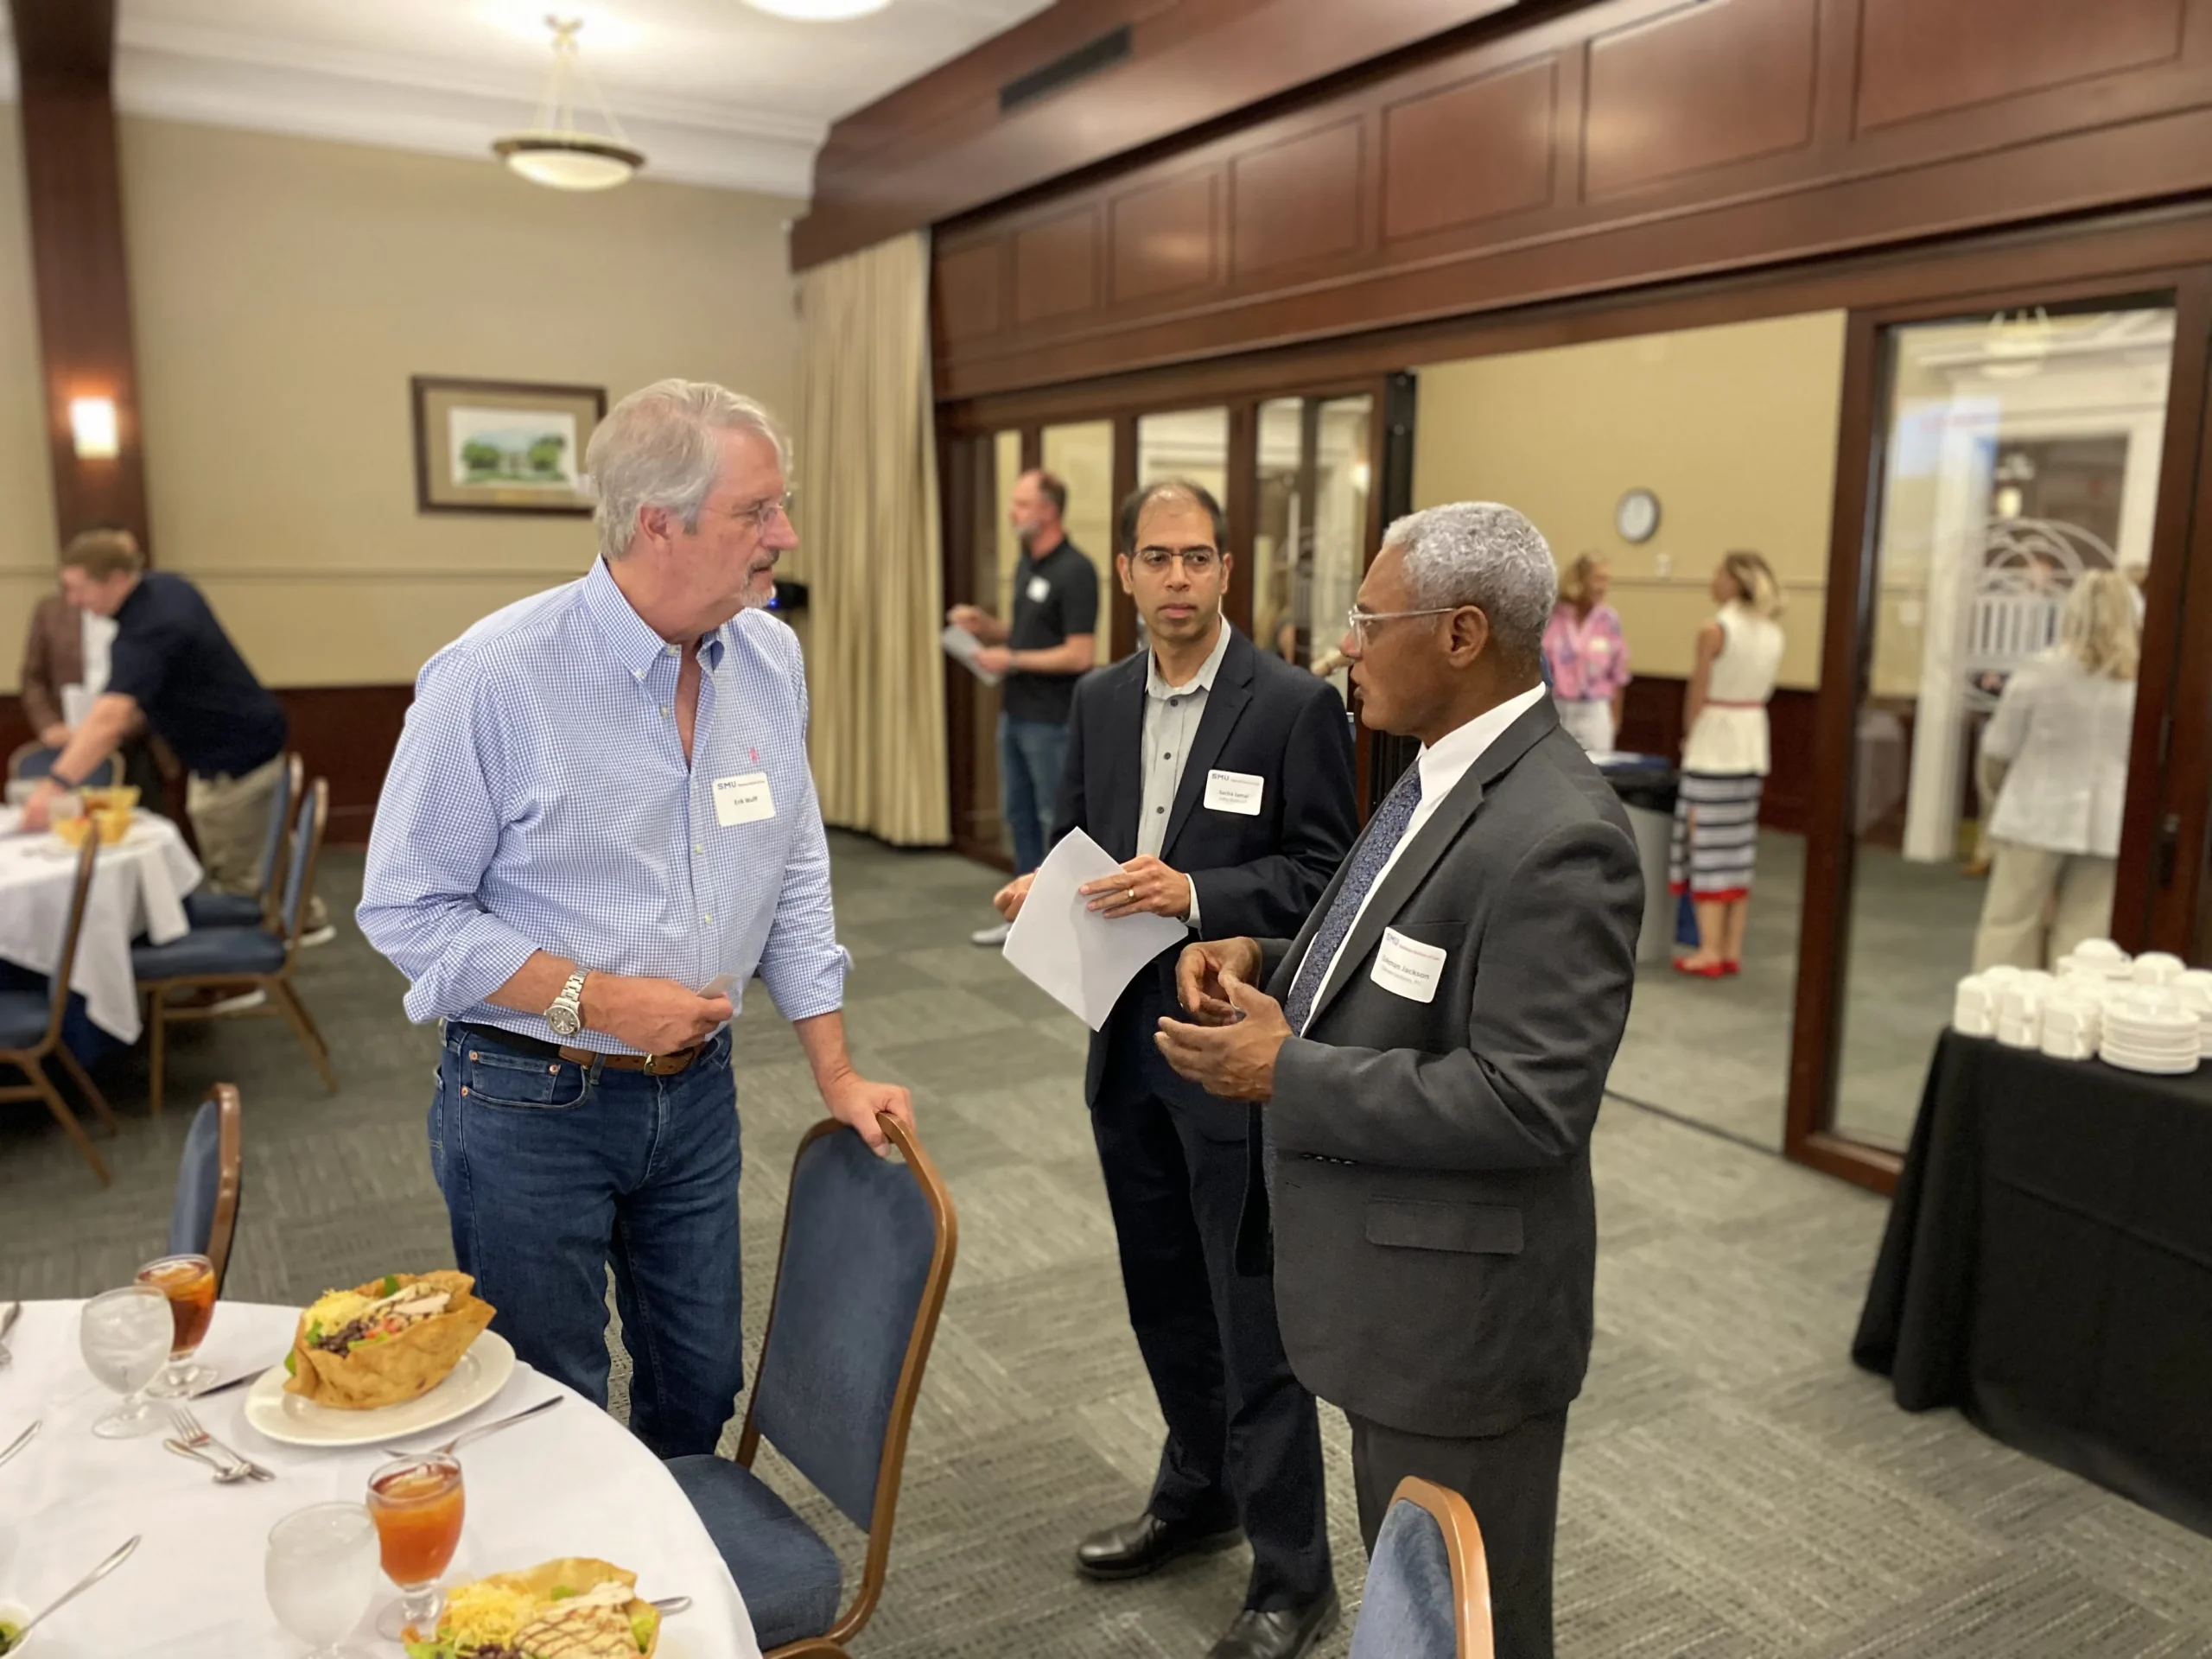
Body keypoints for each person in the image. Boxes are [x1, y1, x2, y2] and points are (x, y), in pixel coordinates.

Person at [357, 379, 913, 1459]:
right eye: (759, 512)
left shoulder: (770, 657)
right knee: (549, 1402)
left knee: (699, 1383)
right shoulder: (496, 677)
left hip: (697, 1092)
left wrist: (835, 1071)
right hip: (527, 1099)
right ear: (658, 521)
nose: (785, 536)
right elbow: (407, 906)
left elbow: (794, 868)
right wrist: (597, 999)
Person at [1153, 502, 1642, 1659]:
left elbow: (1529, 1104)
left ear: (1464, 635)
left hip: (1461, 1330)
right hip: (1390, 1298)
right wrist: (1264, 960)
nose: (1345, 647)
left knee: (1470, 1622)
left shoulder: (1561, 833)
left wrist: (1288, 1072)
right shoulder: (1436, 774)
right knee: (1409, 1605)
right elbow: (1373, 952)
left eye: (1371, 622)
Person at [992, 480, 1356, 1659]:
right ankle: (1198, 1492)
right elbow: (1087, 842)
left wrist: (1197, 894)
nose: (1181, 579)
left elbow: (1327, 876)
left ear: (1227, 571)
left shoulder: (1293, 705)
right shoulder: (1099, 699)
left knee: (1251, 1313)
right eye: (1159, 559)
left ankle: (1295, 1573)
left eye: (1200, 558)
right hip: (1119, 1035)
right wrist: (1043, 888)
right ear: (1131, 570)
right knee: (1162, 1296)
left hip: (1226, 1044)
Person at [19, 531, 329, 939]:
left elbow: (110, 719)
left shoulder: (149, 630)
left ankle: (243, 975)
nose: (73, 601)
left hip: (233, 760)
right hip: (252, 741)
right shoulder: (169, 587)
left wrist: (54, 786)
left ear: (114, 580)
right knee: (261, 849)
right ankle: (301, 918)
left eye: (79, 589)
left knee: (235, 872)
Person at [946, 468, 1098, 945]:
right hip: (1015, 711)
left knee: (1057, 821)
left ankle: (1066, 926)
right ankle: (1023, 918)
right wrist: (989, 628)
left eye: (1021, 504)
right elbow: (1031, 633)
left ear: (1049, 511)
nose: (1013, 512)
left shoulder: (1077, 570)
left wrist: (1010, 657)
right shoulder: (1029, 563)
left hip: (1053, 720)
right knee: (1019, 816)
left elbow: (1080, 653)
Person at [1971, 569, 2139, 969]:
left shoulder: (2041, 670)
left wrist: (1994, 802)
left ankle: (2001, 1015)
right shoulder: (2142, 681)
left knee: (2010, 924)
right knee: (2085, 935)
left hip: (2034, 813)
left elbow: (1999, 747)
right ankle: (2068, 1022)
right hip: (2108, 823)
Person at [1669, 550, 1784, 977]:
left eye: (1719, 572)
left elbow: (1697, 693)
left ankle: (1710, 949)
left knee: (1704, 848)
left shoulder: (1715, 629)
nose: (1712, 579)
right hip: (1752, 742)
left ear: (1736, 581)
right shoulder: (1773, 631)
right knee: (1738, 848)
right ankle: (1731, 948)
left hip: (1714, 743)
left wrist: (1689, 734)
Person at [18, 532, 169, 804]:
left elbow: (157, 678)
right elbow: (33, 678)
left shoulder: (147, 616)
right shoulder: (51, 611)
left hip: (133, 745)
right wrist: (48, 726)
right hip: (68, 741)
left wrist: (121, 725)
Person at [1541, 552, 1630, 753]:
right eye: (1598, 579)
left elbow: (1618, 674)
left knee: (1595, 774)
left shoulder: (1608, 620)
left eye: (1606, 580)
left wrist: (1615, 718)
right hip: (1556, 707)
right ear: (1580, 580)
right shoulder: (1555, 616)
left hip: (1594, 709)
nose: (1603, 587)